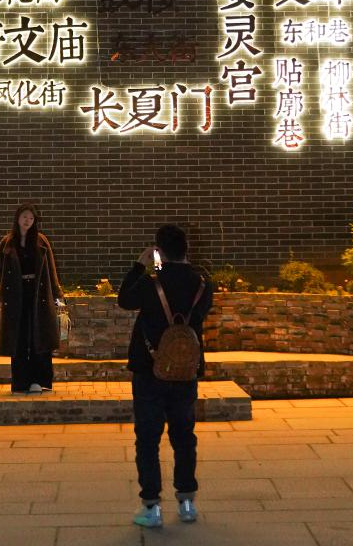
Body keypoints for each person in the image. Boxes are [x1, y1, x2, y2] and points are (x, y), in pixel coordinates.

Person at [118, 224, 214, 529]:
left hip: (150, 370)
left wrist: (140, 265)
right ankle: (186, 503)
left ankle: (152, 506)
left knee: (148, 439)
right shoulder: (203, 284)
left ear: (159, 250)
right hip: (185, 371)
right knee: (184, 436)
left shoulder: (151, 283)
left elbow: (124, 300)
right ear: (187, 248)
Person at [0, 204, 64, 394]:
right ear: (17, 218)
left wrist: (57, 294)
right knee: (19, 337)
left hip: (38, 294)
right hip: (16, 295)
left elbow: (51, 268)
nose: (27, 221)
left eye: (31, 218)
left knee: (39, 336)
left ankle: (39, 380)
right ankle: (20, 382)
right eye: (25, 217)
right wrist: (4, 289)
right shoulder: (8, 242)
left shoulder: (41, 241)